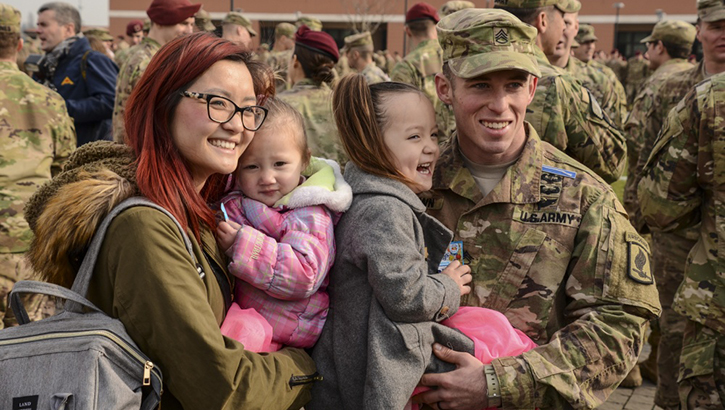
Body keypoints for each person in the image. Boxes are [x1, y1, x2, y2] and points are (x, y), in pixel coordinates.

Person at [23, 32, 317, 409]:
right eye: (217, 102)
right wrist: (307, 363)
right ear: (163, 105)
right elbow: (220, 385)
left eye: (247, 109)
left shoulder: (204, 207)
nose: (238, 125)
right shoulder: (144, 227)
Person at [413, 9, 660, 409]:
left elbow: (619, 327)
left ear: (532, 87)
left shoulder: (583, 196)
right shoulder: (414, 189)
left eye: (513, 85)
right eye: (479, 85)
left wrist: (499, 383)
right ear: (445, 88)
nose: (500, 105)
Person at [635, 3, 725, 407]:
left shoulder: (705, 96)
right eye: (717, 26)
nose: (724, 34)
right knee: (673, 328)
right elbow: (643, 154)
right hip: (677, 239)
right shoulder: (675, 87)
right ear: (699, 31)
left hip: (706, 247)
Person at [216, 97, 352, 352]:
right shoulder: (242, 198)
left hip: (287, 328)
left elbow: (305, 273)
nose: (267, 178)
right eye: (252, 166)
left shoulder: (310, 211)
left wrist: (243, 246)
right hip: (254, 314)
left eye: (280, 164)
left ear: (304, 161)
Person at [0, 3, 76, 329]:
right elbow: (68, 174)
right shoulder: (47, 100)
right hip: (29, 249)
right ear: (19, 45)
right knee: (24, 356)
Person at [494, 0, 628, 184]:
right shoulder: (558, 83)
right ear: (543, 21)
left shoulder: (464, 72)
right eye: (562, 19)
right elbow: (612, 164)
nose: (564, 26)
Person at [112, 0, 198, 143]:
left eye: (191, 24)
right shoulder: (150, 62)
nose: (189, 31)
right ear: (159, 22)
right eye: (183, 23)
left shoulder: (153, 56)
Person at [35, 1, 118, 147]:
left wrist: (60, 107)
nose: (38, 30)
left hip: (86, 159)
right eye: (38, 25)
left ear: (68, 29)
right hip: (54, 155)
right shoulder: (47, 65)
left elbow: (111, 102)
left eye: (44, 25)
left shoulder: (92, 60)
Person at [278, 26, 347, 167]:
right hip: (342, 186)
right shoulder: (344, 104)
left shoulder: (278, 105)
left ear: (295, 61)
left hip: (295, 187)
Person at [391, 2, 455, 143]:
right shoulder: (455, 55)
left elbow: (399, 120)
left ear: (407, 31)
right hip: (464, 147)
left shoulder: (405, 67)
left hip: (427, 151)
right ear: (436, 27)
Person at [566, 23, 628, 127]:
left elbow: (620, 104)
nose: (590, 47)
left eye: (592, 42)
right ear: (573, 44)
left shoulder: (604, 73)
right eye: (585, 42)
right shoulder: (564, 69)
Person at [266, 22, 296, 90]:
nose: (294, 43)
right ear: (283, 38)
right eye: (293, 39)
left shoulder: (268, 56)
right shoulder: (284, 57)